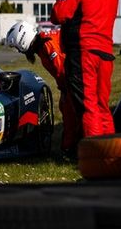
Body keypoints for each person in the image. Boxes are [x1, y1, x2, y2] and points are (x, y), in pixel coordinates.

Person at [50, 0, 119, 148]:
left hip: (83, 53)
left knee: (88, 106)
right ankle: (111, 151)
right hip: (106, 53)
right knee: (102, 106)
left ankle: (95, 152)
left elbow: (58, 15)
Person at [5, 20, 78, 152]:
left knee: (69, 112)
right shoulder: (42, 45)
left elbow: (62, 70)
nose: (19, 51)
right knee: (65, 108)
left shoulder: (47, 44)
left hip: (74, 82)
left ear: (23, 42)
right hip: (71, 82)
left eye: (17, 48)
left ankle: (70, 149)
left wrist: (66, 91)